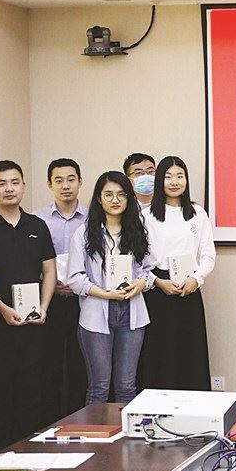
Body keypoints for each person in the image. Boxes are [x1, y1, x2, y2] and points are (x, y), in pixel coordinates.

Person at [0, 160, 57, 452]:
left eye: (14, 183)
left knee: (32, 392)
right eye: (1, 183)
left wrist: (44, 306)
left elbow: (49, 271)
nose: (9, 189)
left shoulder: (37, 225)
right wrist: (3, 310)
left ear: (23, 186)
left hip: (34, 324)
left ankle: (30, 454)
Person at [68, 172, 151, 404]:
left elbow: (147, 271)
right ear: (99, 198)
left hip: (132, 314)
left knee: (126, 386)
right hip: (96, 314)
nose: (115, 200)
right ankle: (96, 430)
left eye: (121, 195)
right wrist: (105, 293)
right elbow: (75, 278)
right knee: (99, 387)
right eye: (109, 195)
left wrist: (140, 283)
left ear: (128, 198)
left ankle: (124, 429)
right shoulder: (84, 233)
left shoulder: (138, 230)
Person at [139, 156, 216, 390]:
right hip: (158, 291)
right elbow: (139, 260)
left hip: (189, 289)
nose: (174, 182)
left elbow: (208, 255)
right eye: (168, 176)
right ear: (159, 180)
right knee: (159, 354)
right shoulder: (146, 215)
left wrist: (196, 279)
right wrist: (157, 282)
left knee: (190, 353)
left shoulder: (197, 213)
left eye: (179, 176)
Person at [34, 158, 88, 423]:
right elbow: (32, 260)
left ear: (80, 182)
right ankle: (49, 423)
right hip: (50, 299)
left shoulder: (93, 217)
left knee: (82, 364)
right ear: (49, 184)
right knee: (49, 364)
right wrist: (46, 283)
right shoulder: (37, 220)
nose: (65, 185)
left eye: (71, 179)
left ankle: (79, 420)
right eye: (59, 180)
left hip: (84, 300)